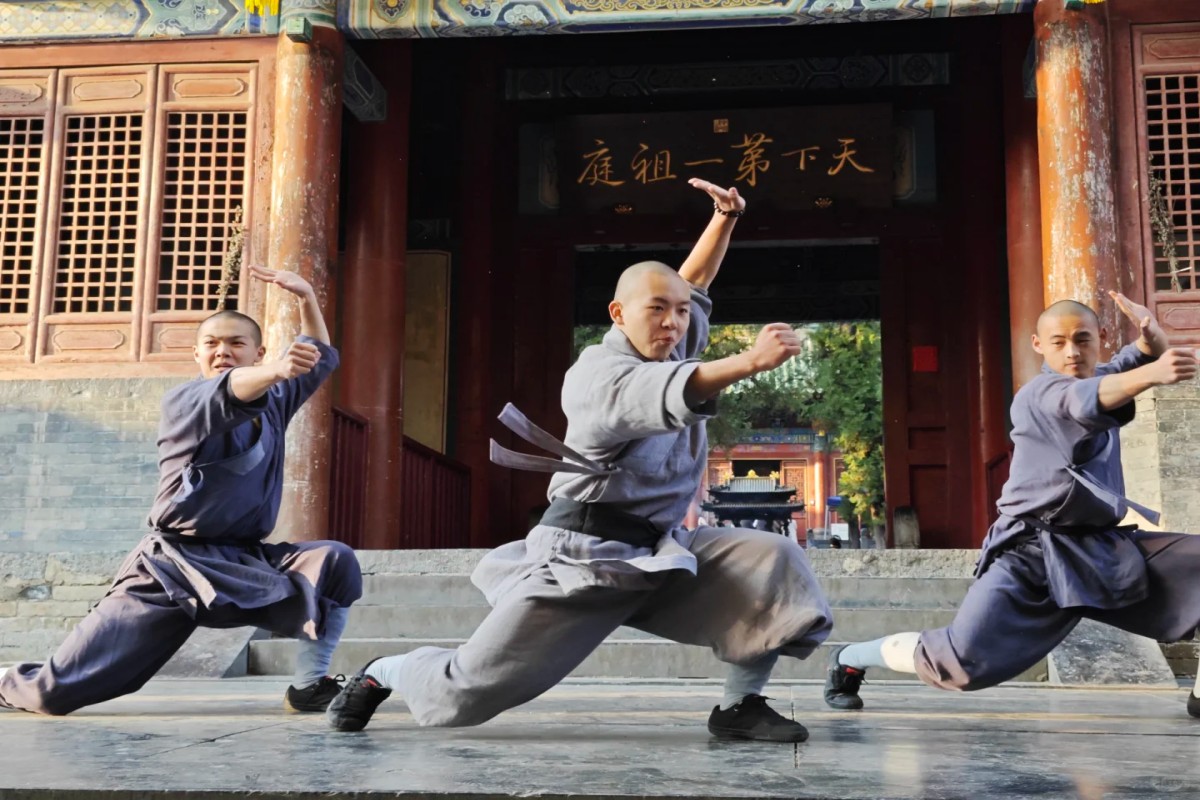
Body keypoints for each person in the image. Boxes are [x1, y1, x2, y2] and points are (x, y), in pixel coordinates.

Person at [327, 179, 833, 741]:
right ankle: (384, 672)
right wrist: (750, 361)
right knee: (466, 693)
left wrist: (724, 217)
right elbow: (664, 392)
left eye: (681, 314)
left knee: (771, 559)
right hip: (582, 559)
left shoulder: (672, 341)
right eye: (657, 310)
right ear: (618, 313)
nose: (673, 322)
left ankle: (740, 707)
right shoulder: (597, 373)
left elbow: (692, 283)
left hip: (659, 550)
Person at [0, 265, 362, 716]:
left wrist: (307, 297)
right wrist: (275, 369)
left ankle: (309, 686)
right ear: (196, 354)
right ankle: (7, 682)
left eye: (236, 343)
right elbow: (235, 387)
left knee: (335, 559)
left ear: (257, 350)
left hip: (245, 559)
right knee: (53, 695)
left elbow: (318, 353)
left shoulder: (274, 401)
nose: (223, 352)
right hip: (169, 567)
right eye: (212, 344)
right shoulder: (185, 401)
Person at [823, 292, 1200, 717]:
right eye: (1058, 342)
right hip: (1031, 553)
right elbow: (1085, 399)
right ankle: (852, 656)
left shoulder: (1098, 374)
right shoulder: (1039, 394)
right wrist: (1151, 373)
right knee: (960, 664)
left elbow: (1131, 362)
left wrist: (1151, 338)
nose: (1072, 352)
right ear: (1038, 345)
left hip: (1102, 548)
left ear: (1101, 338)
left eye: (1083, 339)